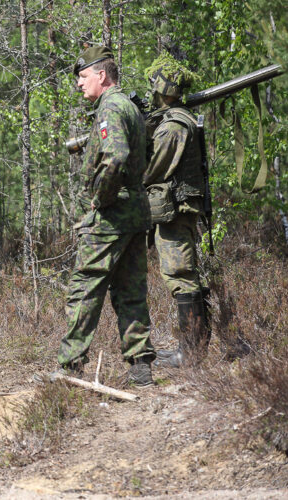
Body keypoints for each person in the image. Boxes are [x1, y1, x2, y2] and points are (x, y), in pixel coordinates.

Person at [56, 46, 156, 386]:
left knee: (84, 287)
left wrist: (99, 201)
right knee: (130, 291)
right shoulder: (129, 107)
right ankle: (140, 366)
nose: (79, 85)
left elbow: (115, 157)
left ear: (102, 75)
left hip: (112, 218)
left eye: (83, 78)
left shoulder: (110, 109)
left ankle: (70, 366)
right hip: (135, 214)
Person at [142, 55, 210, 368]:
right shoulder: (177, 119)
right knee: (181, 274)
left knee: (181, 275)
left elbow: (153, 170)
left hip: (176, 209)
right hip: (178, 208)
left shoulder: (172, 126)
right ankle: (191, 350)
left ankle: (192, 354)